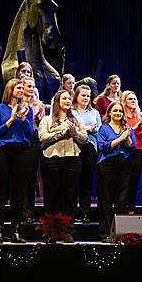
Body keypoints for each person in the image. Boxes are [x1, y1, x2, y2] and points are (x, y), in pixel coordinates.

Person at [0, 79, 34, 243]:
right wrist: (11, 119)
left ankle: (16, 230)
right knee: (0, 192)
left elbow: (30, 134)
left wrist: (24, 119)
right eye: (18, 88)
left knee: (18, 193)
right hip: (3, 150)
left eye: (23, 88)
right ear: (10, 90)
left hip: (21, 151)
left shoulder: (27, 109)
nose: (22, 90)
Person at [38, 89, 87, 233]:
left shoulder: (77, 119)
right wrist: (61, 133)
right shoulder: (47, 120)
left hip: (72, 161)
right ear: (57, 102)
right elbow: (42, 137)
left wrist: (73, 132)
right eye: (64, 98)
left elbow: (84, 139)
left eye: (69, 99)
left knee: (69, 195)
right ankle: (50, 229)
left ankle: (68, 229)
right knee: (52, 194)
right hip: (52, 161)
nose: (67, 101)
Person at [97, 101, 136, 243]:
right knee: (106, 198)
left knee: (122, 199)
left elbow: (132, 148)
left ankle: (119, 232)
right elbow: (103, 147)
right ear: (109, 113)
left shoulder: (128, 128)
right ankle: (105, 232)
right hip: (107, 164)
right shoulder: (103, 129)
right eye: (115, 111)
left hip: (124, 165)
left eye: (120, 111)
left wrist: (127, 139)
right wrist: (119, 138)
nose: (118, 113)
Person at [71, 81, 102, 224]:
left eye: (88, 96)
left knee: (87, 181)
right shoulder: (70, 111)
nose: (86, 98)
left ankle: (85, 212)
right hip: (74, 147)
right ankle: (70, 214)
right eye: (83, 95)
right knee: (73, 181)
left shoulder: (94, 112)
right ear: (76, 96)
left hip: (89, 147)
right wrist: (85, 128)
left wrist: (91, 129)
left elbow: (99, 131)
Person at [21, 77, 46, 222]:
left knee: (29, 176)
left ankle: (28, 212)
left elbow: (41, 125)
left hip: (33, 140)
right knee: (19, 176)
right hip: (19, 139)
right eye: (29, 86)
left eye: (33, 86)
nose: (31, 89)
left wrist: (38, 115)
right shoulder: (17, 104)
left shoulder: (38, 105)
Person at [121, 90, 142, 215]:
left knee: (133, 183)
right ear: (124, 101)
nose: (133, 101)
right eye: (130, 99)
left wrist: (140, 127)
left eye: (135, 99)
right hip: (123, 152)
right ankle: (120, 210)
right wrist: (134, 128)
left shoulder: (140, 116)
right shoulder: (120, 116)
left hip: (137, 152)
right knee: (123, 182)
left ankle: (131, 210)